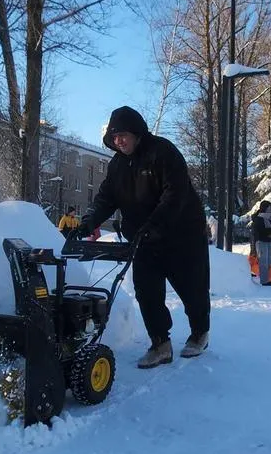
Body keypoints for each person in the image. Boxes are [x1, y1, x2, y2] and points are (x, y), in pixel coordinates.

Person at [77, 105, 210, 369]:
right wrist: (89, 220)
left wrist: (155, 223)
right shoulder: (116, 166)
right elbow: (106, 198)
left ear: (136, 132)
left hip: (182, 234)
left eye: (123, 135)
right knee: (147, 291)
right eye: (114, 138)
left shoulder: (162, 152)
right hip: (144, 238)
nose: (119, 141)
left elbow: (176, 193)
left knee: (191, 288)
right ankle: (161, 343)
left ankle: (199, 333)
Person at [251, 200, 271, 286]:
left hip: (269, 241)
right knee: (263, 262)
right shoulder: (258, 218)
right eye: (269, 208)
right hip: (261, 241)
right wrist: (270, 232)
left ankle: (267, 278)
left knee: (269, 261)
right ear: (265, 208)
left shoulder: (269, 218)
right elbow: (259, 231)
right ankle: (264, 281)